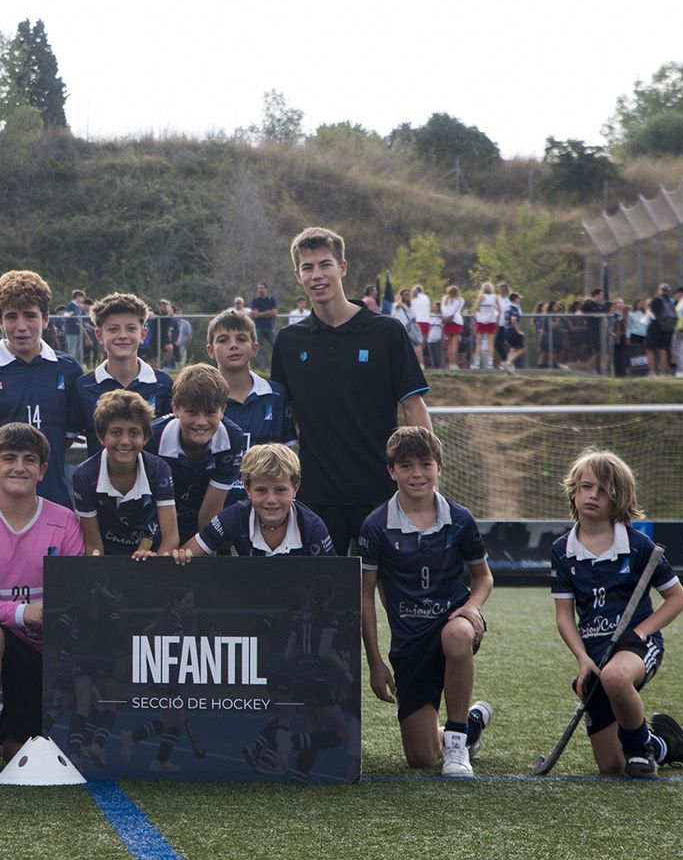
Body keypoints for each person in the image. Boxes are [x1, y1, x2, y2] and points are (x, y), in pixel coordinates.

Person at [271, 227, 430, 557]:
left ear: (342, 267)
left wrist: (423, 473)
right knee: (320, 596)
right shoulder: (288, 342)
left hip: (380, 489)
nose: (317, 275)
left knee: (393, 589)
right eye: (308, 267)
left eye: (325, 264)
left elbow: (413, 408)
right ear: (297, 275)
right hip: (316, 494)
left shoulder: (386, 331)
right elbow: (282, 419)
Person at [550, 449, 683, 777]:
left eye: (604, 490)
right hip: (595, 652)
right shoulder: (562, 550)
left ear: (619, 498)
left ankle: (639, 750)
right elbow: (564, 615)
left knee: (616, 677)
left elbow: (677, 598)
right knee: (611, 766)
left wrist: (640, 632)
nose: (593, 495)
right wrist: (582, 658)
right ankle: (665, 744)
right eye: (586, 486)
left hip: (637, 645)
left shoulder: (638, 547)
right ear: (574, 490)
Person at [0, 423, 85, 773]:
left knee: (20, 752)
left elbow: (73, 594)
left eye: (29, 460)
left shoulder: (65, 522)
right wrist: (22, 613)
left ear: (42, 470)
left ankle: (4, 717)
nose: (19, 467)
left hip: (45, 648)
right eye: (9, 458)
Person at [358, 427, 493, 778]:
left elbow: (483, 576)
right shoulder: (376, 526)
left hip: (453, 623)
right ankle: (471, 725)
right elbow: (365, 595)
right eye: (406, 465)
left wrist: (472, 607)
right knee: (420, 757)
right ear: (391, 471)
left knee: (457, 635)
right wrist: (375, 662)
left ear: (440, 467)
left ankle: (457, 741)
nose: (416, 473)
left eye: (425, 464)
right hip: (409, 643)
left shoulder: (460, 520)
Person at [0, 270, 85, 508]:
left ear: (46, 318)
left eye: (30, 316)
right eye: (11, 317)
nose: (21, 327)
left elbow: (65, 438)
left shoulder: (69, 370)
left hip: (53, 498)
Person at [176, 442, 333, 560]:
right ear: (247, 489)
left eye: (280, 490)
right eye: (261, 490)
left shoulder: (312, 527)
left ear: (295, 487)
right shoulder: (233, 517)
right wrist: (181, 557)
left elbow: (333, 581)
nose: (271, 500)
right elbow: (188, 553)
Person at [71, 390, 177, 557]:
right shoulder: (85, 476)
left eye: (134, 433)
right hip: (108, 563)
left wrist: (157, 567)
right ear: (100, 436)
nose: (125, 441)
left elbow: (171, 539)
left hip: (151, 558)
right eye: (116, 432)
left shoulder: (159, 470)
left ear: (146, 437)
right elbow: (93, 546)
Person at [205, 309, 295, 504]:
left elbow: (289, 456)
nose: (233, 345)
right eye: (223, 340)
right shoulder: (202, 399)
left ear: (254, 348)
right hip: (214, 505)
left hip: (266, 504)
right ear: (210, 350)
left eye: (241, 339)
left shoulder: (276, 395)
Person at [150, 364, 246, 543]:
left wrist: (200, 556)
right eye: (191, 412)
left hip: (205, 526)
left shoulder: (233, 437)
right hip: (158, 526)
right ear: (175, 409)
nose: (201, 422)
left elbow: (210, 513)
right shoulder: (152, 438)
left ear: (222, 410)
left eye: (210, 412)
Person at [75, 292, 173, 456]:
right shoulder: (83, 386)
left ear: (143, 334)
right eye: (113, 329)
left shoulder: (163, 383)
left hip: (151, 480)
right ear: (99, 335)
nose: (122, 336)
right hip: (99, 480)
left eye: (131, 328)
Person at [646, 283, 674, 376]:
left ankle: (652, 370)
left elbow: (652, 313)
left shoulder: (657, 300)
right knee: (663, 350)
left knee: (649, 349)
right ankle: (663, 372)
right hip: (668, 328)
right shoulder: (671, 301)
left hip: (656, 326)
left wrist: (648, 308)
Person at [471, 280, 499, 371]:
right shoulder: (495, 297)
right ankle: (490, 364)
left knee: (478, 343)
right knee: (490, 343)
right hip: (491, 320)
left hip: (481, 320)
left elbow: (474, 309)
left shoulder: (481, 297)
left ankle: (476, 364)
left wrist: (476, 317)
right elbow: (500, 309)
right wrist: (496, 317)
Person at [393, 287, 423, 366]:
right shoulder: (397, 306)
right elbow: (394, 315)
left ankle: (418, 364)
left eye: (408, 295)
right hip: (400, 328)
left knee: (414, 346)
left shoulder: (411, 307)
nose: (407, 296)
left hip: (410, 329)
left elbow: (413, 317)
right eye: (405, 294)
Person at [250, 281, 279, 353]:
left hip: (270, 327)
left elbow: (274, 313)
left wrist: (260, 313)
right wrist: (267, 312)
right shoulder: (255, 300)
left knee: (277, 346)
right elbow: (255, 314)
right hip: (258, 328)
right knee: (259, 350)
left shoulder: (271, 299)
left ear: (266, 289)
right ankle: (261, 365)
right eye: (259, 288)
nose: (260, 290)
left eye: (262, 288)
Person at [439, 285, 464, 370]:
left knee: (449, 344)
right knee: (455, 344)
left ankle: (450, 363)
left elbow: (443, 310)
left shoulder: (444, 299)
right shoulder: (460, 300)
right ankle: (454, 364)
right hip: (456, 321)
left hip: (447, 322)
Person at [500, 291, 526, 371]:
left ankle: (506, 364)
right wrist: (518, 331)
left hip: (506, 331)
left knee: (513, 348)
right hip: (512, 331)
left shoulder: (508, 308)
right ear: (515, 299)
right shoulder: (514, 309)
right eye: (518, 299)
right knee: (522, 348)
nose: (519, 300)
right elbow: (513, 320)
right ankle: (508, 362)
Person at [410, 284, 432, 360]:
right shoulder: (426, 298)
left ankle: (417, 359)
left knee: (417, 343)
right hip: (426, 321)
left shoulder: (412, 299)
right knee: (423, 343)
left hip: (416, 321)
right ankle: (418, 359)